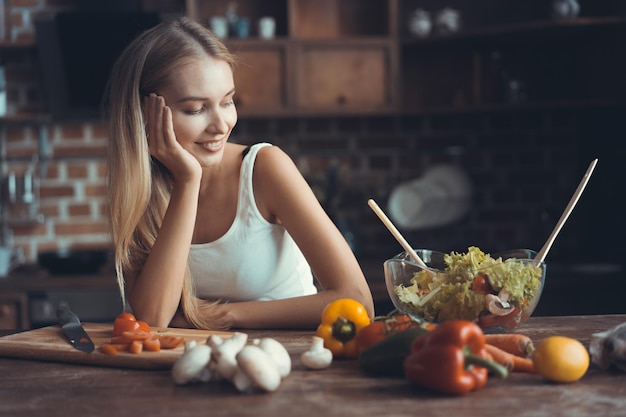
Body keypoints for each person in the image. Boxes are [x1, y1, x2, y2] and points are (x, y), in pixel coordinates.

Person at [105, 17, 374, 330]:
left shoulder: (265, 167)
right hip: (201, 364)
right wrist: (187, 182)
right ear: (143, 114)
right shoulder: (140, 189)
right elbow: (152, 319)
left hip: (294, 358)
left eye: (227, 101)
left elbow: (356, 301)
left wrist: (223, 315)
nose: (222, 125)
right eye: (195, 109)